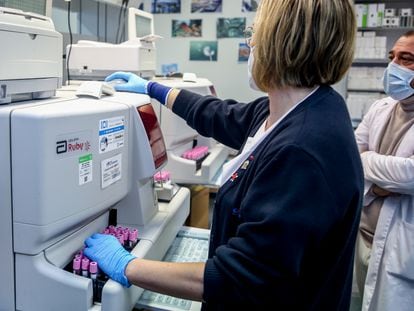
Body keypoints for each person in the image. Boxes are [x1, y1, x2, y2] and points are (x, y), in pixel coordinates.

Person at [84, 0, 364, 309]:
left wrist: (128, 266)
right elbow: (222, 115)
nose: (250, 46)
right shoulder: (304, 108)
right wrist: (154, 89)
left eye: (252, 34)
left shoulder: (302, 150)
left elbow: (238, 278)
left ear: (277, 41)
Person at [354, 30, 414, 311]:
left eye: (407, 59)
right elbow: (350, 156)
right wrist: (380, 185)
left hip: (402, 249)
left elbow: (410, 174)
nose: (394, 67)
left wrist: (367, 163)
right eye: (392, 57)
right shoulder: (381, 107)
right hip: (362, 237)